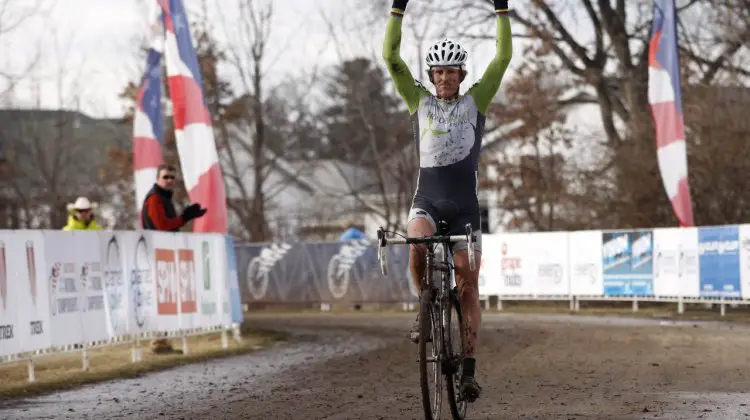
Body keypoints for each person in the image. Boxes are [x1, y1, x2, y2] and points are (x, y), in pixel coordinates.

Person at [382, 0, 512, 402]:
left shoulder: (477, 100)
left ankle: (469, 370)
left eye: (451, 72)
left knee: (468, 283)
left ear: (461, 75)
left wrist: (502, 10)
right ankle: (424, 307)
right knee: (417, 244)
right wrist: (398, 10)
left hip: (464, 211)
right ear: (431, 75)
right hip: (428, 200)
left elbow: (503, 56)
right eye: (438, 72)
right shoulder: (418, 100)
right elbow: (390, 56)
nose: (444, 78)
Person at [141, 163, 207, 231]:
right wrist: (184, 218)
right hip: (159, 241)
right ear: (157, 178)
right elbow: (162, 225)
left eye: (172, 177)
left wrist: (186, 217)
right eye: (165, 177)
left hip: (166, 240)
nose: (169, 180)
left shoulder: (165, 197)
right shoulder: (154, 198)